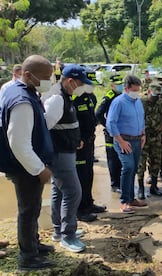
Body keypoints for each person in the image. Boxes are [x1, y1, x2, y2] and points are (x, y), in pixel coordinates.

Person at [0, 55, 55, 270]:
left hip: (26, 165)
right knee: (28, 210)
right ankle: (28, 257)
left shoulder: (20, 90)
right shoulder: (22, 101)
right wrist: (39, 169)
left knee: (33, 207)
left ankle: (34, 243)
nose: (49, 81)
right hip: (25, 168)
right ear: (28, 75)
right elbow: (19, 143)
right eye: (45, 77)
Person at [42, 64, 92, 253]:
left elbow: (62, 125)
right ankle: (68, 236)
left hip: (66, 150)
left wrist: (74, 140)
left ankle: (58, 231)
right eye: (80, 83)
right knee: (73, 191)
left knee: (59, 191)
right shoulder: (56, 98)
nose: (82, 87)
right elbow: (44, 128)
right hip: (59, 154)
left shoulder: (65, 95)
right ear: (70, 81)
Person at [106, 74, 147, 213]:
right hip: (124, 140)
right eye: (134, 90)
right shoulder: (118, 102)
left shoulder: (138, 101)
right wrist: (121, 141)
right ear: (126, 89)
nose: (137, 92)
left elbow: (141, 118)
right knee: (128, 167)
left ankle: (131, 198)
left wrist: (143, 134)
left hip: (137, 140)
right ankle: (124, 201)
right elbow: (110, 123)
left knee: (134, 168)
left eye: (138, 90)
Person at [72, 80, 106, 222]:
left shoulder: (90, 97)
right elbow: (72, 121)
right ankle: (79, 209)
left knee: (88, 173)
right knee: (80, 175)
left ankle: (88, 203)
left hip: (90, 141)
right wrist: (77, 138)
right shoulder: (74, 98)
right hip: (79, 144)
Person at [137, 83, 162, 199]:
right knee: (141, 163)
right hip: (142, 138)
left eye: (158, 95)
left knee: (156, 162)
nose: (155, 97)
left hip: (156, 137)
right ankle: (140, 188)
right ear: (149, 91)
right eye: (154, 94)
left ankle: (154, 186)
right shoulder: (140, 102)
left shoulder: (160, 103)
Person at [95, 75, 123, 193]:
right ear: (112, 85)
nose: (120, 86)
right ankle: (114, 184)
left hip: (122, 131)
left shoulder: (122, 95)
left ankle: (121, 182)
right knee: (113, 158)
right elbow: (98, 114)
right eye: (118, 84)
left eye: (121, 83)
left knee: (121, 158)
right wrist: (108, 126)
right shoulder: (109, 97)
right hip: (111, 133)